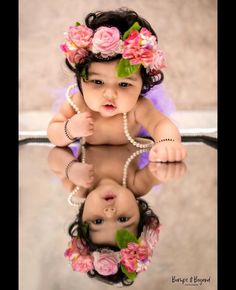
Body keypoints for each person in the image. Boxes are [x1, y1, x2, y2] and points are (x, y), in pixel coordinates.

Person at [47, 8, 187, 163]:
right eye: (98, 82)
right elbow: (53, 131)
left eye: (124, 84)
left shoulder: (137, 108)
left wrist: (168, 142)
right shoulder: (78, 104)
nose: (110, 94)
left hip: (127, 180)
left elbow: (161, 124)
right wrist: (69, 129)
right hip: (89, 180)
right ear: (81, 79)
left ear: (142, 84)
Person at [47, 144, 187, 285]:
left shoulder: (78, 187)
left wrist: (70, 167)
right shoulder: (136, 184)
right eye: (123, 219)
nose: (109, 212)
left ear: (82, 217)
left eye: (98, 221)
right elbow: (159, 171)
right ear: (139, 212)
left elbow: (54, 156)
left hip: (87, 129)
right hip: (126, 125)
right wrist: (167, 169)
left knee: (58, 132)